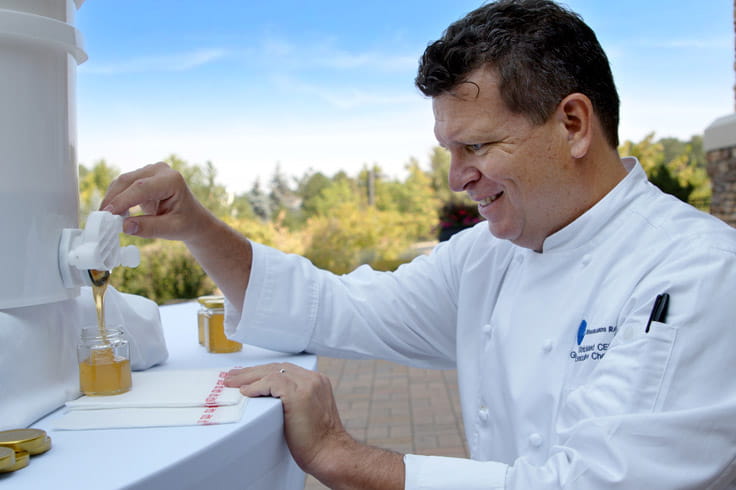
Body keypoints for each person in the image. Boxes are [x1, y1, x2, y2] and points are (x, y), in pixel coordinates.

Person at [100, 0, 736, 488]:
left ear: (573, 124)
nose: (459, 179)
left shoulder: (695, 274)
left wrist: (339, 454)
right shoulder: (486, 256)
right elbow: (339, 309)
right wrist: (197, 227)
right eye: (450, 151)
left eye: (477, 147)